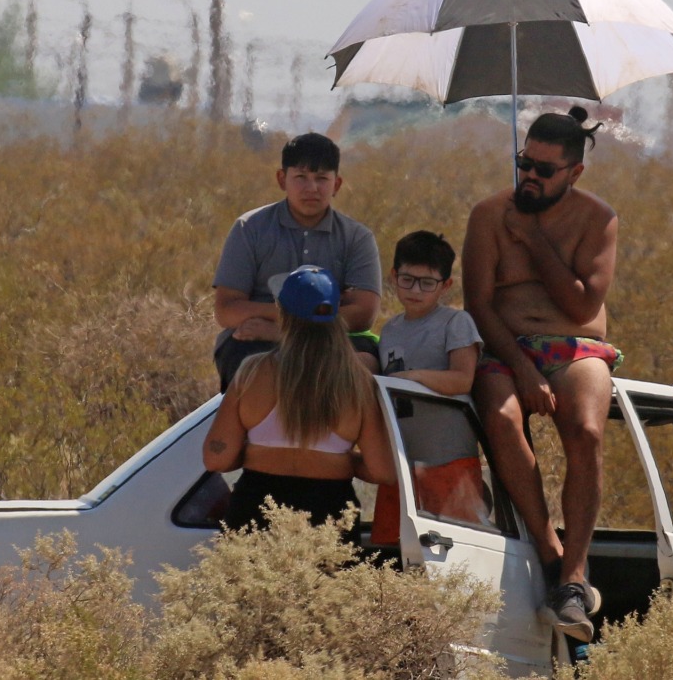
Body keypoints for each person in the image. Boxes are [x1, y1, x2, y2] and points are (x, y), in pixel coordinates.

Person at [464, 107, 619, 643]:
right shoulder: (489, 214)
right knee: (503, 419)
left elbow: (582, 306)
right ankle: (550, 552)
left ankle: (575, 575)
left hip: (575, 346)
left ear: (574, 172)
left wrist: (533, 239)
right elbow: (479, 304)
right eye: (524, 163)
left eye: (544, 170)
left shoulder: (598, 219)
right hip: (505, 347)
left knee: (587, 430)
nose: (529, 175)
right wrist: (524, 369)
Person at [203, 265, 396, 535]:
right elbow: (383, 470)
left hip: (257, 508)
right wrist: (339, 461)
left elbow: (216, 459)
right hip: (330, 515)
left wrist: (259, 454)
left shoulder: (252, 372)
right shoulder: (357, 382)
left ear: (282, 314)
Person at [212, 132, 382, 390]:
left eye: (321, 178)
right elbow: (227, 310)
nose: (311, 188)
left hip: (329, 340)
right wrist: (309, 320)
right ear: (282, 179)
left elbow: (362, 314)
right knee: (255, 369)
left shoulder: (357, 237)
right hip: (256, 339)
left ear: (336, 184)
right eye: (301, 177)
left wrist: (284, 328)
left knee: (366, 362)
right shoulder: (250, 228)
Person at [369, 231, 487, 545]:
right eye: (407, 280)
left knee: (459, 552)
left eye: (427, 283)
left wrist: (414, 377)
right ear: (393, 276)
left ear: (446, 285)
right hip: (401, 463)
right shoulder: (390, 329)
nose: (415, 290)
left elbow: (462, 379)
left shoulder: (455, 322)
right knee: (393, 553)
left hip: (449, 460)